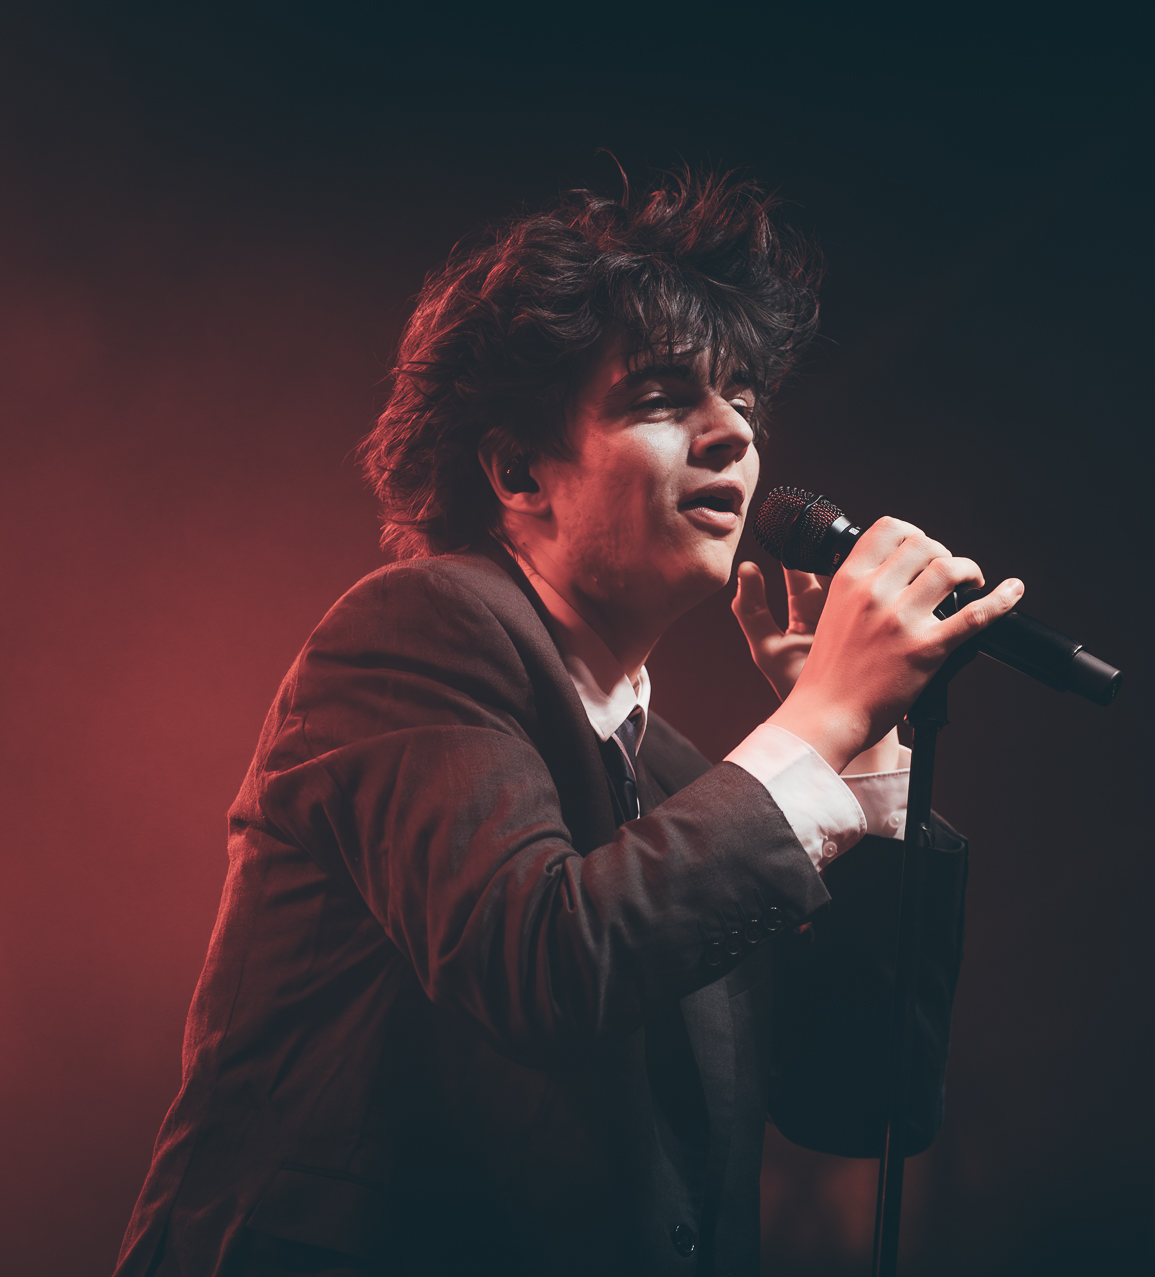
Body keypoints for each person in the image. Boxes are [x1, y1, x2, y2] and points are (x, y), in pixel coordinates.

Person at [112, 171, 1023, 1277]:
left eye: (744, 399)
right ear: (517, 470)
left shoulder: (685, 779)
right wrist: (818, 718)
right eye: (664, 398)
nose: (732, 432)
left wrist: (864, 749)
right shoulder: (418, 630)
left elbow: (861, 1105)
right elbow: (541, 963)